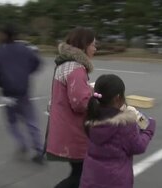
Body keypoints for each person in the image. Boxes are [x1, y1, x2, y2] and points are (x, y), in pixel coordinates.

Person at [79, 74, 156, 188]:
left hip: (91, 179)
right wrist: (148, 130)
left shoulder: (90, 118)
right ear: (117, 98)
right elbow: (138, 146)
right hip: (115, 181)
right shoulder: (123, 124)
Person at [46, 27, 96, 188]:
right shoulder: (76, 68)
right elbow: (80, 102)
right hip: (72, 131)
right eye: (93, 45)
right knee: (81, 175)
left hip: (63, 126)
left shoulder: (65, 64)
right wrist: (95, 96)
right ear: (85, 45)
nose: (95, 49)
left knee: (80, 173)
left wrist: (87, 88)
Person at [0, 24, 44, 163]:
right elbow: (37, 62)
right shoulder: (25, 49)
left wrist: (1, 82)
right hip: (24, 91)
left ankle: (22, 144)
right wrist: (25, 74)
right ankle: (39, 150)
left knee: (12, 122)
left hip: (7, 94)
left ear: (4, 35)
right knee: (31, 121)